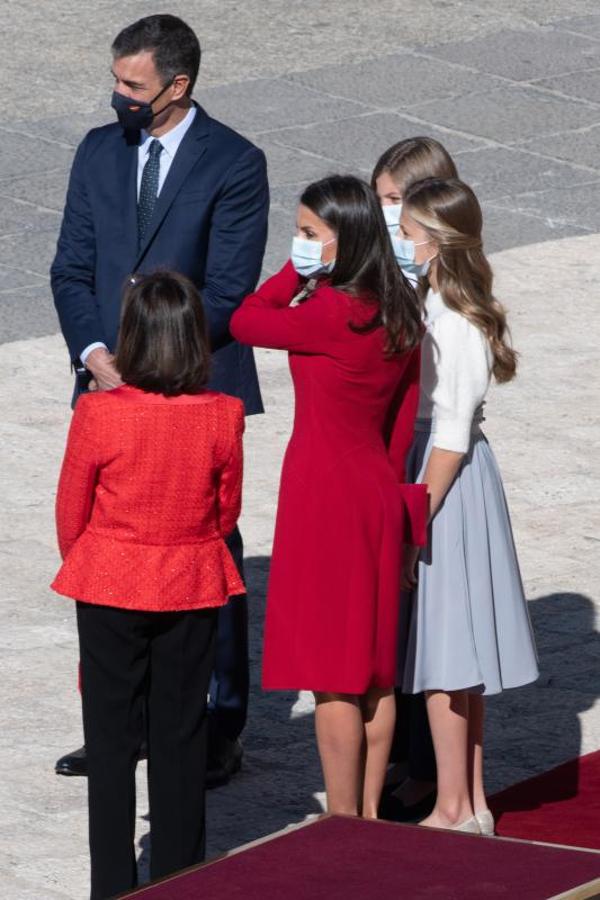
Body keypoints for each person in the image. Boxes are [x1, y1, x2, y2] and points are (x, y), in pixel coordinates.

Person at [50, 13, 269, 783]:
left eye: (132, 85)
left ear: (177, 86)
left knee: (208, 552)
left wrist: (146, 361)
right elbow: (71, 269)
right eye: (116, 80)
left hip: (192, 394)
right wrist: (94, 352)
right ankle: (120, 721)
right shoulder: (97, 151)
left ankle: (216, 725)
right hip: (106, 387)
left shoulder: (234, 162)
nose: (119, 95)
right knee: (105, 550)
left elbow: (230, 290)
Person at [230, 175, 428, 818]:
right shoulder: (400, 309)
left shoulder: (329, 313)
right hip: (376, 494)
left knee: (332, 678)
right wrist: (406, 524)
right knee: (374, 672)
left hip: (324, 497)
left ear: (346, 238)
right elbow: (400, 429)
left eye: (310, 234)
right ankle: (369, 813)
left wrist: (294, 271)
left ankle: (343, 821)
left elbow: (245, 319)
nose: (301, 243)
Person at [51, 271, 245, 899]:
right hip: (189, 583)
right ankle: (178, 881)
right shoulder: (223, 415)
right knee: (181, 738)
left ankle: (111, 886)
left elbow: (71, 511)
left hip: (108, 584)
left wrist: (94, 564)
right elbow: (226, 513)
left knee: (110, 745)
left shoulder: (97, 413)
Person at [395, 177, 539, 835]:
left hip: (443, 481)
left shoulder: (453, 320)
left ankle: (453, 806)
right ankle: (471, 800)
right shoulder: (446, 303)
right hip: (457, 475)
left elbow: (450, 436)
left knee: (447, 655)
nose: (401, 239)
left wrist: (414, 522)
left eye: (409, 230)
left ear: (435, 240)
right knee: (460, 658)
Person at [371, 136, 458, 820]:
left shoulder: (446, 291)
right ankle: (400, 750)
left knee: (426, 605)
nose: (386, 215)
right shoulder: (387, 270)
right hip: (387, 440)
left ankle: (428, 766)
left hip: (427, 447)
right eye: (380, 200)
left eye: (397, 200)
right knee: (393, 610)